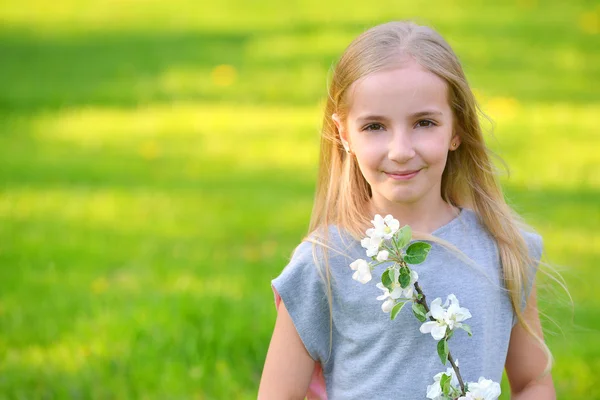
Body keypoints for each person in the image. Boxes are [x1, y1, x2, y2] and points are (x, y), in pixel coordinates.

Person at [258, 21, 557, 399]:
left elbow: (533, 382)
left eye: (424, 123)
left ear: (456, 129)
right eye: (375, 127)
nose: (400, 150)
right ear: (343, 134)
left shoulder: (503, 250)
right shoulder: (325, 262)